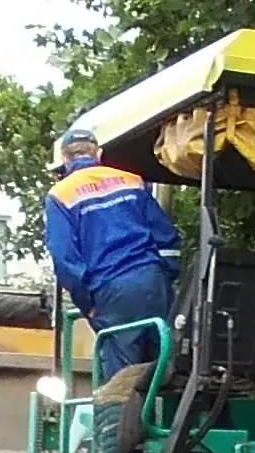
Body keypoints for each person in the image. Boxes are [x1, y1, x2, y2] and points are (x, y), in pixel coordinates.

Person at [43, 127, 180, 382]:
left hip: (110, 290)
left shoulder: (60, 195)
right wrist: (166, 276)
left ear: (65, 159)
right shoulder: (131, 180)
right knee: (162, 366)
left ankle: (119, 408)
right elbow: (165, 236)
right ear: (99, 153)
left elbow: (65, 260)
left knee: (121, 378)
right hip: (152, 281)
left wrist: (88, 305)